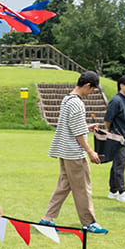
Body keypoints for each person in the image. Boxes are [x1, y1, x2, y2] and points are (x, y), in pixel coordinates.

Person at [40, 71, 108, 234]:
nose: (91, 93)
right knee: (83, 188)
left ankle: (47, 219)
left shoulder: (67, 100)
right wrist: (91, 152)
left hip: (64, 151)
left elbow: (72, 126)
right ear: (87, 85)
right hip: (74, 153)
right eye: (92, 90)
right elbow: (77, 132)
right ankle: (88, 223)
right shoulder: (77, 103)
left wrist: (87, 127)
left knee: (63, 186)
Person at [103, 74, 125, 202]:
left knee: (117, 164)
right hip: (118, 138)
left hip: (124, 138)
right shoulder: (116, 100)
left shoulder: (123, 99)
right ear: (122, 85)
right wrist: (111, 133)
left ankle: (113, 190)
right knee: (120, 165)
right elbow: (108, 120)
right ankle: (122, 192)